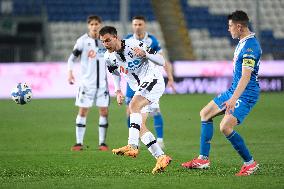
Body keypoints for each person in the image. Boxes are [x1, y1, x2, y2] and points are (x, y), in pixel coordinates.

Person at [181, 10, 262, 176]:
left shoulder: (251, 47)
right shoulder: (243, 41)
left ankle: (250, 163)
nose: (228, 29)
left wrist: (233, 99)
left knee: (225, 127)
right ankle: (203, 159)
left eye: (230, 26)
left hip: (246, 94)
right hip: (235, 90)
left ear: (239, 27)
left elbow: (246, 77)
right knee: (205, 113)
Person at [99, 26, 172, 174]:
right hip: (141, 88)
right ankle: (161, 157)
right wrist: (118, 90)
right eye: (102, 42)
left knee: (133, 106)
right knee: (140, 126)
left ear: (115, 37)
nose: (105, 44)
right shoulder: (108, 56)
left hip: (153, 80)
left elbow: (161, 60)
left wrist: (145, 54)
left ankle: (132, 145)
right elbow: (114, 73)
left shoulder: (134, 44)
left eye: (108, 40)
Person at [124, 16, 175, 149]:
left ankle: (160, 139)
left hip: (149, 79)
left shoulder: (152, 40)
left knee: (155, 111)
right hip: (133, 81)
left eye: (140, 24)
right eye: (135, 24)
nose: (137, 27)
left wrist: (170, 77)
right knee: (130, 111)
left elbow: (161, 59)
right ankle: (135, 139)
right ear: (132, 25)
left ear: (144, 25)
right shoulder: (128, 40)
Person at [67, 15, 110, 151]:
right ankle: (79, 143)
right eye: (92, 24)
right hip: (87, 84)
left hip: (102, 85)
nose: (94, 26)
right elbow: (71, 59)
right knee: (83, 111)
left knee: (104, 112)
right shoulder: (82, 41)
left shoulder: (106, 41)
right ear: (88, 26)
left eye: (96, 24)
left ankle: (102, 143)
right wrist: (70, 73)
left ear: (100, 25)